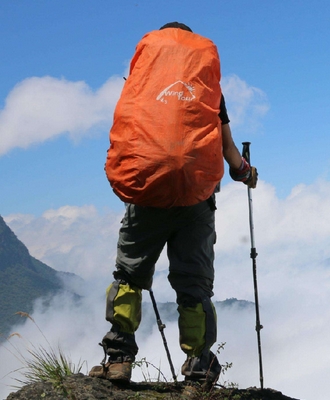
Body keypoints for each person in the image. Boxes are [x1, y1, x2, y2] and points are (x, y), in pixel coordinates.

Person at [89, 22, 257, 385]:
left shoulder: (144, 85)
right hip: (196, 200)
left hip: (147, 194)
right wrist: (246, 173)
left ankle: (118, 357)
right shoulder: (206, 89)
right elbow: (228, 151)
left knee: (130, 276)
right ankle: (198, 370)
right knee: (193, 285)